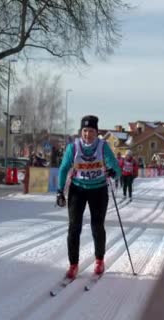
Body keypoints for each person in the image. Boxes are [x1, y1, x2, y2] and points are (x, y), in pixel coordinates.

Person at [56, 115, 122, 280]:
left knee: (97, 226)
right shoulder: (74, 147)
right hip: (77, 190)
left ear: (96, 132)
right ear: (81, 132)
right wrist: (59, 191)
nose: (87, 134)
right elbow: (64, 169)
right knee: (74, 228)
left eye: (91, 131)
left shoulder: (102, 146)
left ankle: (99, 260)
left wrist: (113, 172)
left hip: (98, 190)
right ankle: (73, 264)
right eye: (85, 131)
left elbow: (115, 167)